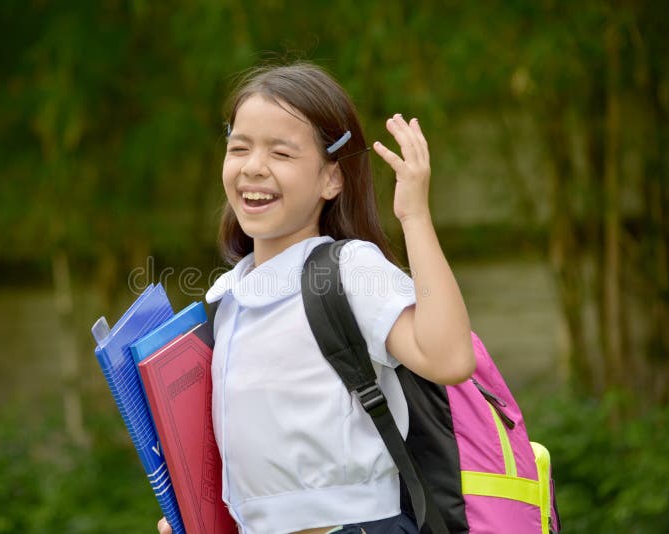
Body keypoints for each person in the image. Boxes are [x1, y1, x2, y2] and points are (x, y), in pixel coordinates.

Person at [157, 62, 475, 534]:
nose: (253, 167)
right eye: (239, 147)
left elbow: (448, 357)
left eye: (281, 153)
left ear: (332, 179)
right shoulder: (230, 300)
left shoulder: (347, 269)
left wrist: (414, 217)